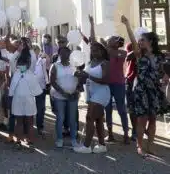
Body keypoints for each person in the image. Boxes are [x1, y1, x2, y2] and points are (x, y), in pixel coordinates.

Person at [121, 15, 169, 156]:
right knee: (142, 119)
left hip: (154, 89)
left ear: (151, 41)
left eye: (143, 40)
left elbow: (164, 71)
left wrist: (165, 77)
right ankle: (140, 147)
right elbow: (132, 40)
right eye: (139, 40)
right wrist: (127, 24)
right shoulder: (139, 54)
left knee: (153, 119)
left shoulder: (160, 56)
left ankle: (151, 146)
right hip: (141, 89)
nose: (140, 42)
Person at [74, 18, 111, 154]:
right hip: (90, 92)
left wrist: (87, 76)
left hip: (101, 93)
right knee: (98, 119)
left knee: (89, 117)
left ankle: (86, 146)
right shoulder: (90, 62)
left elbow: (106, 80)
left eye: (97, 50)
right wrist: (80, 78)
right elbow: (92, 41)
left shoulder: (105, 63)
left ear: (102, 51)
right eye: (93, 50)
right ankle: (102, 145)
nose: (95, 51)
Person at [9, 42, 42, 148]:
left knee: (29, 122)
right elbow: (12, 61)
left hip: (28, 100)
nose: (22, 66)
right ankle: (19, 140)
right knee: (20, 122)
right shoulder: (17, 73)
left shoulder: (30, 74)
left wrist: (30, 48)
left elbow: (36, 90)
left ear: (28, 65)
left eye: (24, 64)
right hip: (19, 100)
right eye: (20, 64)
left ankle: (29, 140)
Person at [50, 47, 79, 149]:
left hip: (73, 96)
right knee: (60, 118)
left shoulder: (75, 65)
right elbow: (52, 81)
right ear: (59, 54)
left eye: (67, 53)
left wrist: (77, 91)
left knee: (72, 119)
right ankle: (59, 139)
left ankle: (73, 139)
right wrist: (63, 93)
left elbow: (80, 80)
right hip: (59, 96)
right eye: (62, 53)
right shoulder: (55, 66)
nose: (65, 55)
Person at [102, 35, 129, 144]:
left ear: (118, 44)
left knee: (121, 109)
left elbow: (114, 53)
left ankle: (126, 134)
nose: (109, 40)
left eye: (112, 39)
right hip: (107, 84)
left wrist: (106, 45)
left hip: (119, 84)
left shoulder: (122, 53)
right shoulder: (105, 53)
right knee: (107, 109)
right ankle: (110, 134)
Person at [33, 44, 49, 136]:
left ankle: (40, 127)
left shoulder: (41, 61)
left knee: (41, 108)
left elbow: (46, 68)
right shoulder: (29, 61)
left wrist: (47, 83)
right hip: (29, 88)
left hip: (41, 87)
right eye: (34, 50)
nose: (35, 52)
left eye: (36, 50)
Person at [125, 43, 138, 141]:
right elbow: (127, 57)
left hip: (142, 81)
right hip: (130, 80)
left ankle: (142, 130)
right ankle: (135, 130)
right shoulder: (130, 45)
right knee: (132, 108)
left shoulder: (146, 48)